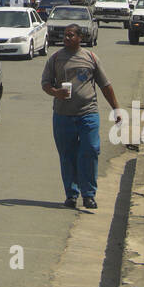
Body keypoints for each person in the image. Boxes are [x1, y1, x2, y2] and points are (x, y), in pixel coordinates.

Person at [41, 24, 121, 210]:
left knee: (91, 150)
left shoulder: (90, 58)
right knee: (67, 156)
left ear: (80, 38)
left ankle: (89, 195)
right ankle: (71, 195)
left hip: (88, 113)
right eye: (65, 35)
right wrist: (55, 92)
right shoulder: (55, 59)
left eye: (71, 35)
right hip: (63, 116)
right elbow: (45, 83)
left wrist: (116, 109)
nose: (67, 38)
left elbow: (105, 86)